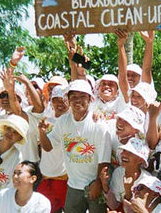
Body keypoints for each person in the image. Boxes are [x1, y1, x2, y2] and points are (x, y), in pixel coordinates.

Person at [39, 79, 111, 213]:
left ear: (90, 99)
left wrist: (98, 183)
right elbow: (48, 147)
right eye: (73, 97)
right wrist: (42, 133)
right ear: (68, 100)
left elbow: (104, 160)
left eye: (83, 96)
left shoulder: (99, 124)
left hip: (94, 185)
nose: (78, 100)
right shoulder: (63, 122)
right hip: (73, 186)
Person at [36, 85, 69, 213]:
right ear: (51, 101)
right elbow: (43, 148)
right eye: (56, 99)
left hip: (64, 178)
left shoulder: (71, 121)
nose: (60, 103)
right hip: (45, 177)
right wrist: (41, 131)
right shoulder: (45, 121)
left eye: (63, 100)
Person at [101, 138, 152, 211]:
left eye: (130, 152)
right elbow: (114, 206)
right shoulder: (118, 173)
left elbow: (140, 210)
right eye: (124, 150)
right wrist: (105, 186)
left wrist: (128, 192)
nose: (123, 154)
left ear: (140, 160)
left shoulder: (147, 180)